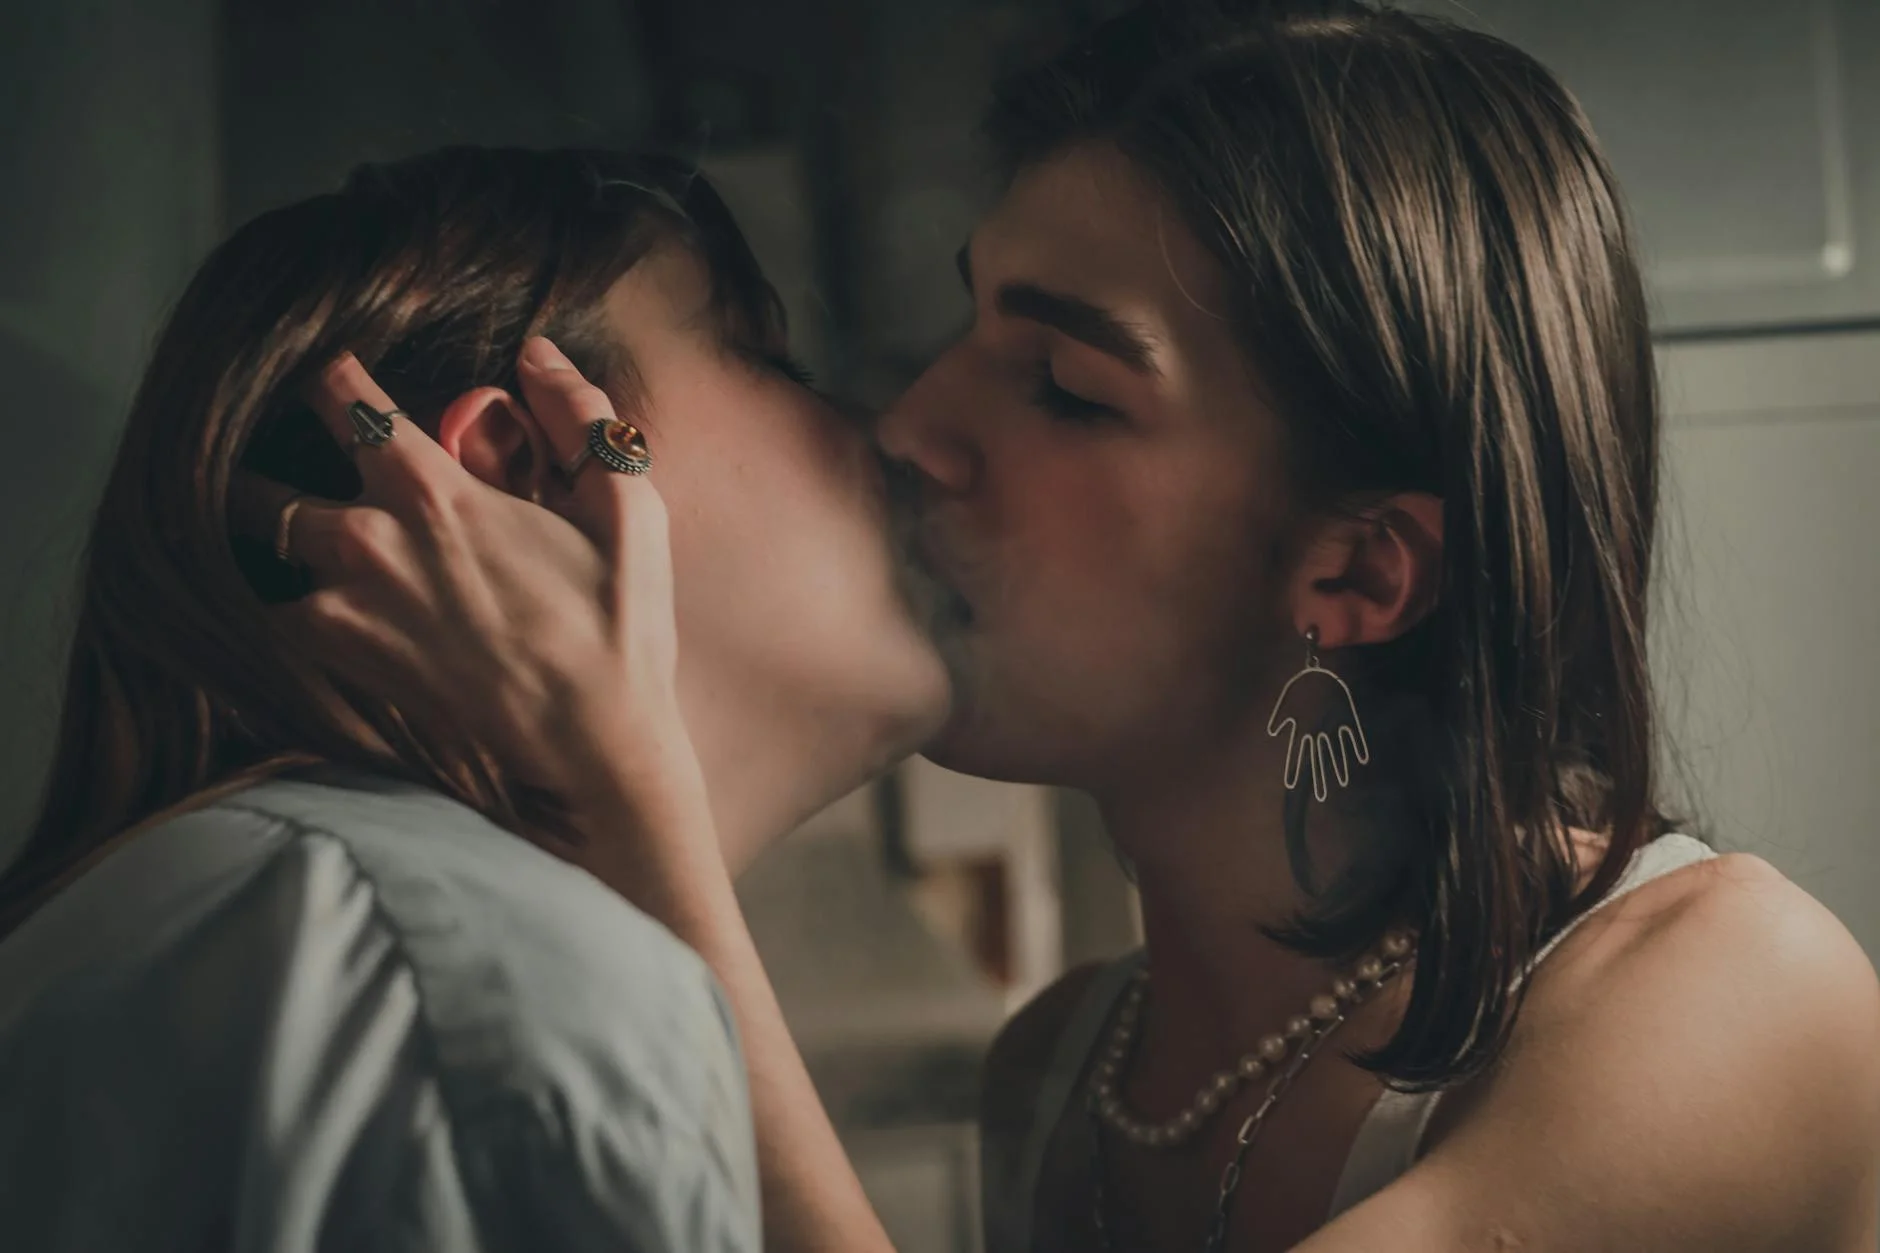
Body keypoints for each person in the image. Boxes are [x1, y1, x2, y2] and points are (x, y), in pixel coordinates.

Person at [274, 2, 1880, 1251]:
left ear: (1359, 575)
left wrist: (641, 816)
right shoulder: (1060, 1075)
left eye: (1063, 385)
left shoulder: (1729, 998)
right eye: (967, 324)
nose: (912, 426)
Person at [0, 146, 947, 1251]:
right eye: (775, 363)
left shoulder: (326, 923)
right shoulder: (464, 985)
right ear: (521, 463)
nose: (888, 427)